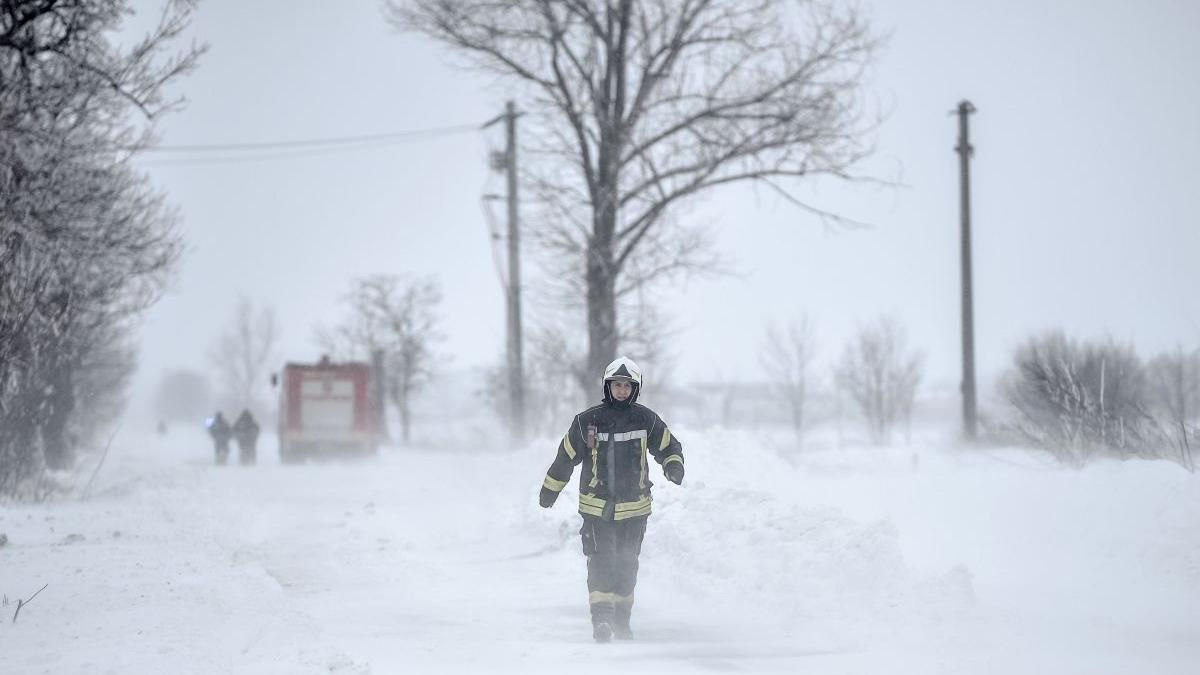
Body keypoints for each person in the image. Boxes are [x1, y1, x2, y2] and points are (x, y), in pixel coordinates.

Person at [538, 356, 685, 643]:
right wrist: (550, 490)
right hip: (597, 510)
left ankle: (622, 620)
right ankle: (601, 620)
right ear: (607, 387)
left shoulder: (646, 420)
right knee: (602, 562)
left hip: (635, 510)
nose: (621, 390)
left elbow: (669, 445)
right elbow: (565, 457)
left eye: (627, 386)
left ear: (635, 389)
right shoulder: (587, 421)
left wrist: (673, 465)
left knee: (627, 565)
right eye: (616, 385)